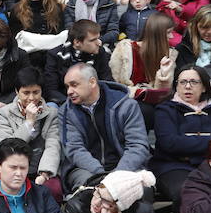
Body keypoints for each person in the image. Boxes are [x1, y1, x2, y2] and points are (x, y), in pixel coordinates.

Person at [59, 63, 150, 192]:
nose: (69, 91)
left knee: (139, 200)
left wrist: (117, 175)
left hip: (125, 166)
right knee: (89, 191)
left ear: (92, 82)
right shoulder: (66, 112)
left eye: (74, 85)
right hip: (86, 169)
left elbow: (137, 146)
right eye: (67, 87)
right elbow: (75, 149)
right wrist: (101, 174)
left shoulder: (126, 105)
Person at [152, 65, 211, 207]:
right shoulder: (165, 110)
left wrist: (190, 145)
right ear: (176, 86)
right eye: (182, 82)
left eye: (194, 82)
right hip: (173, 166)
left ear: (204, 87)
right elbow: (170, 143)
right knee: (186, 193)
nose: (187, 87)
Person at [0, 67, 62, 202]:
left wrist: (44, 174)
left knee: (53, 189)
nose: (31, 98)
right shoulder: (4, 113)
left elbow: (53, 146)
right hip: (14, 166)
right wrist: (29, 122)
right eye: (26, 93)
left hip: (41, 165)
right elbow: (6, 148)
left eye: (36, 92)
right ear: (16, 92)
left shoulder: (52, 114)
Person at [109, 11, 178, 127]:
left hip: (153, 99)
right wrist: (137, 92)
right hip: (129, 97)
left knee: (168, 110)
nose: (171, 37)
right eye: (168, 33)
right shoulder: (125, 48)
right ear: (157, 34)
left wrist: (164, 74)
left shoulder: (170, 54)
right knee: (144, 110)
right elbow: (115, 83)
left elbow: (162, 92)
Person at [44, 20, 113, 105]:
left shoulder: (100, 52)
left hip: (94, 101)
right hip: (65, 103)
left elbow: (108, 82)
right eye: (93, 40)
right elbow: (51, 90)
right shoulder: (56, 55)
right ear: (77, 42)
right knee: (51, 106)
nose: (98, 43)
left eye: (98, 38)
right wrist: (73, 105)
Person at [8, 0, 65, 70]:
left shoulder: (56, 8)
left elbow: (60, 38)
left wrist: (31, 39)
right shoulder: (17, 10)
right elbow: (16, 39)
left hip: (51, 60)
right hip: (27, 61)